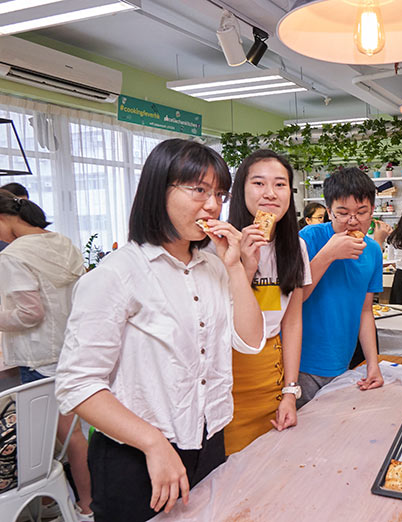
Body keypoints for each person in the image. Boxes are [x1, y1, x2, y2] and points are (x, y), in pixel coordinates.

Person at [55, 139, 266, 522]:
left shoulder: (215, 267)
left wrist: (237, 268)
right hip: (136, 454)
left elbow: (250, 343)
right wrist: (153, 443)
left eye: (219, 194)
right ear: (158, 190)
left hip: (208, 439)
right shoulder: (117, 274)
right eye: (199, 190)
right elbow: (77, 383)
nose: (213, 205)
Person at [0, 191, 93, 520]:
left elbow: (30, 312)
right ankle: (74, 500)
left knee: (49, 440)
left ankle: (81, 505)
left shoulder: (14, 255)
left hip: (38, 358)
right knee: (73, 436)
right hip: (71, 351)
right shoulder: (62, 242)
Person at [224, 150, 311, 455]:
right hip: (227, 377)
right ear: (240, 190)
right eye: (259, 183)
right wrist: (245, 266)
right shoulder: (219, 244)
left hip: (271, 376)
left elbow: (292, 321)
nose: (270, 193)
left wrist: (290, 391)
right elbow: (219, 318)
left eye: (280, 184)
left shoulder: (296, 246)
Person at [297, 167, 384, 408]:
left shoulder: (373, 251)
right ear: (329, 211)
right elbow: (295, 298)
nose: (353, 221)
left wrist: (373, 364)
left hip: (342, 362)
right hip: (301, 364)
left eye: (361, 212)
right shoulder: (309, 237)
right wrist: (329, 254)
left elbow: (365, 311)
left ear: (372, 210)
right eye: (343, 213)